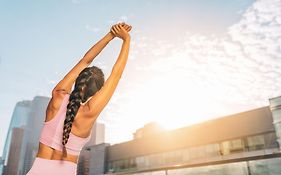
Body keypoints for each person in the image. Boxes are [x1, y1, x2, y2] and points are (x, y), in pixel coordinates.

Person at [26, 22, 132, 175]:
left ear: (77, 80)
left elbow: (85, 60)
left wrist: (110, 35)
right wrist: (126, 40)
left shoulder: (58, 95)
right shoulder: (89, 112)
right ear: (96, 92)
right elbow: (116, 75)